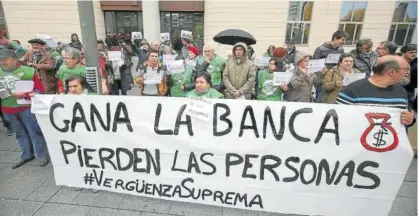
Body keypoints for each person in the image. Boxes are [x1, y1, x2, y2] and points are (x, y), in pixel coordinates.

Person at [0, 48, 49, 168]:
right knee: (19, 133)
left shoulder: (29, 72)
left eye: (5, 60)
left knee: (34, 132)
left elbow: (39, 90)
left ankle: (42, 155)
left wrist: (25, 94)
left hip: (26, 108)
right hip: (8, 108)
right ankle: (26, 154)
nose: (2, 63)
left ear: (15, 60)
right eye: (0, 60)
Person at [336, 55, 415, 125]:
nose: (407, 73)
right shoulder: (351, 90)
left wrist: (410, 120)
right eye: (406, 69)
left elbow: (405, 116)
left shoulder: (401, 91)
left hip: (389, 140)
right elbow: (337, 119)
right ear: (392, 72)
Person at [313, 30, 348, 103]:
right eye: (342, 39)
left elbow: (341, 63)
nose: (344, 42)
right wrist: (321, 77)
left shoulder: (341, 50)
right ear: (335, 38)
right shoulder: (320, 49)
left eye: (345, 40)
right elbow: (315, 64)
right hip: (322, 80)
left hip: (335, 80)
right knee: (321, 100)